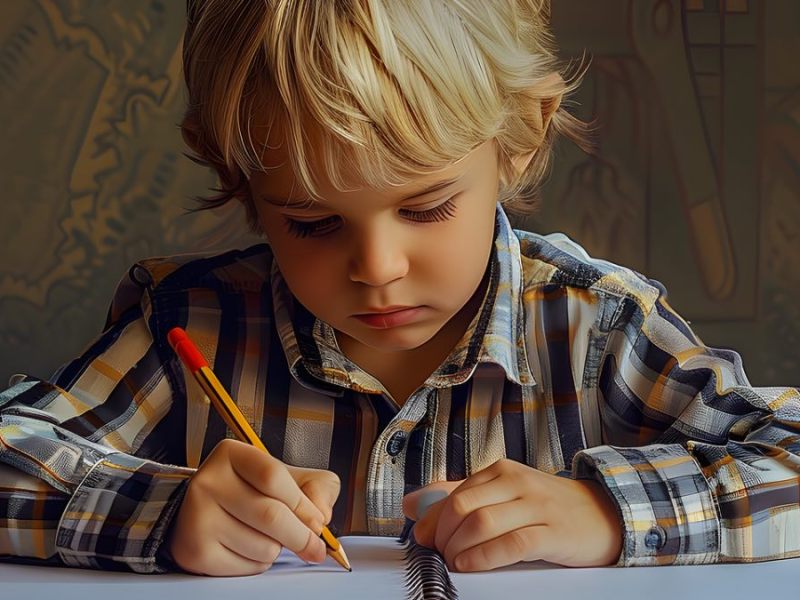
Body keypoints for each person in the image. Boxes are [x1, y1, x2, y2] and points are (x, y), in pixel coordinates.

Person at [1, 0, 798, 577]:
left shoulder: (598, 328)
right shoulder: (190, 327)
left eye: (425, 207)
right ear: (243, 185)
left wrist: (606, 513)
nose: (377, 267)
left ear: (519, 142)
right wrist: (165, 514)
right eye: (312, 222)